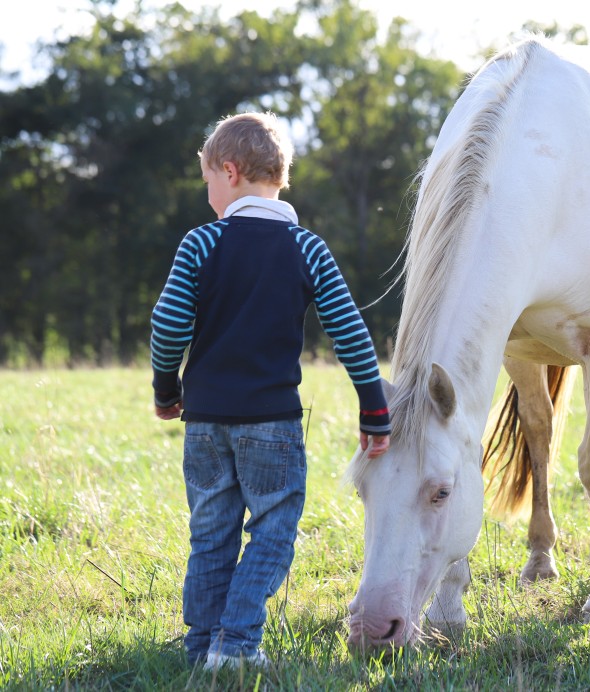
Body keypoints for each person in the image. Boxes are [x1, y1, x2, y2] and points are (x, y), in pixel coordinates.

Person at [150, 112, 390, 670]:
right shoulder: (306, 248)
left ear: (229, 172)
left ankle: (203, 648)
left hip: (206, 422)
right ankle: (234, 647)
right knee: (274, 533)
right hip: (272, 425)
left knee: (210, 536)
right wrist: (374, 410)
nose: (208, 192)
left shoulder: (199, 243)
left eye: (208, 178)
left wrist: (167, 389)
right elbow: (350, 331)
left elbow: (167, 325)